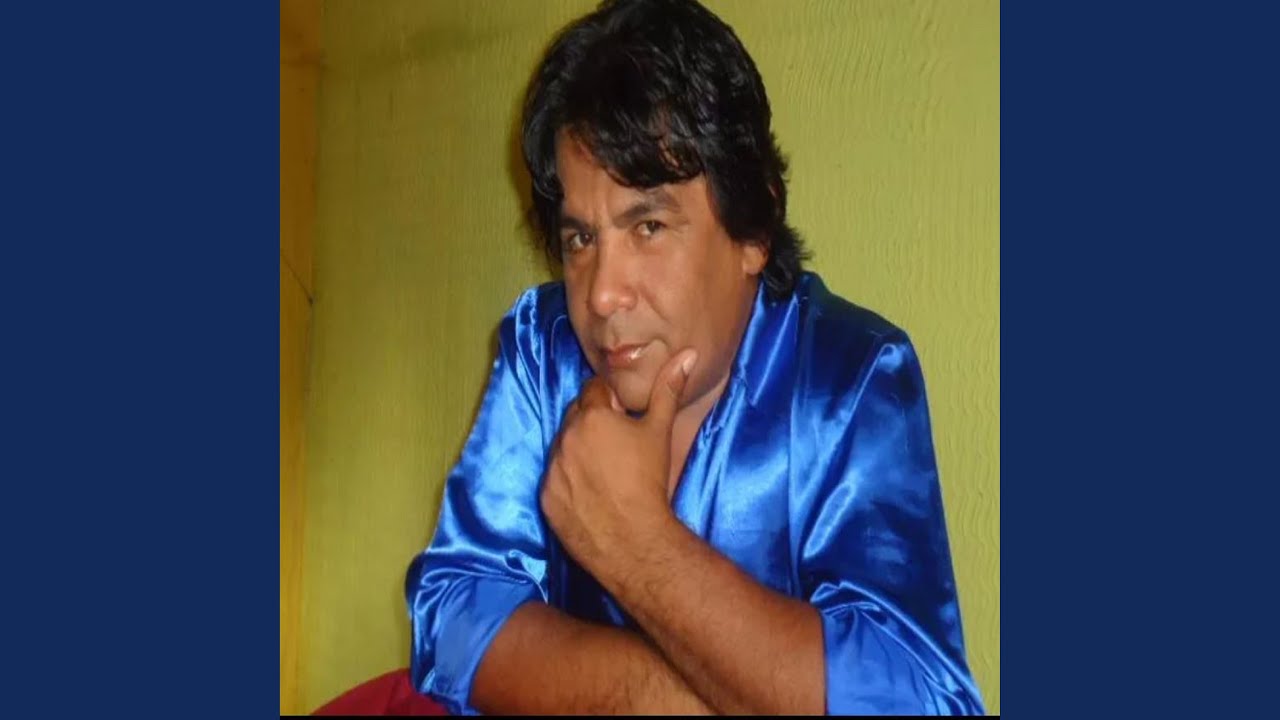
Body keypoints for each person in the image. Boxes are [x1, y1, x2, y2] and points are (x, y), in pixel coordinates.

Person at [405, 0, 985, 714]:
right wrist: (659, 699)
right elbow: (453, 613)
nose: (602, 294)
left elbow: (917, 698)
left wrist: (639, 545)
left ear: (753, 230)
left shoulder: (849, 380)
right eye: (581, 238)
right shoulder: (544, 349)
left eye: (648, 225)